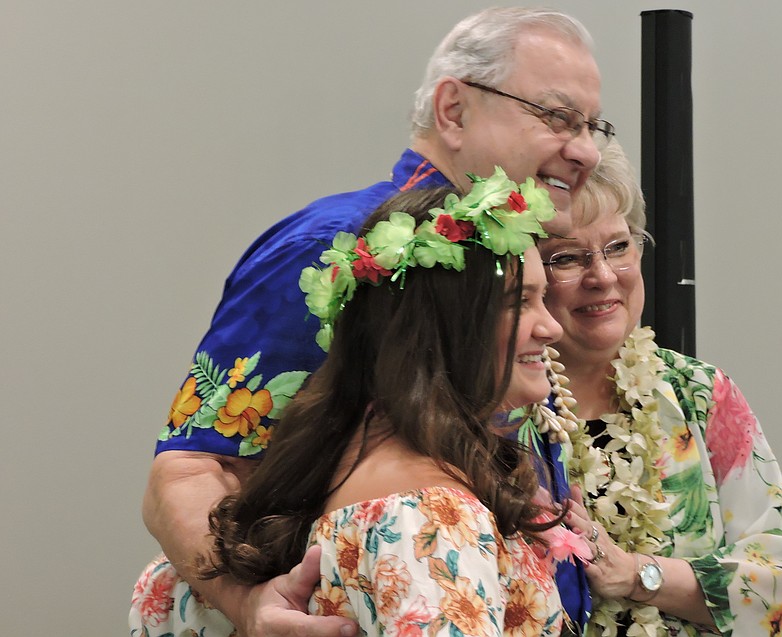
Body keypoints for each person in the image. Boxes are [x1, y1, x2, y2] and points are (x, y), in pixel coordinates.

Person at [135, 7, 610, 637]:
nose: (584, 150)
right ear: (453, 110)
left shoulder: (510, 259)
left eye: (592, 125)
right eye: (557, 118)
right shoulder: (337, 247)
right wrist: (247, 603)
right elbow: (192, 468)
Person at [532, 139, 782, 636]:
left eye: (618, 246)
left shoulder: (701, 394)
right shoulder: (503, 410)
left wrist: (636, 576)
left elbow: (770, 591)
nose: (603, 275)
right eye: (567, 257)